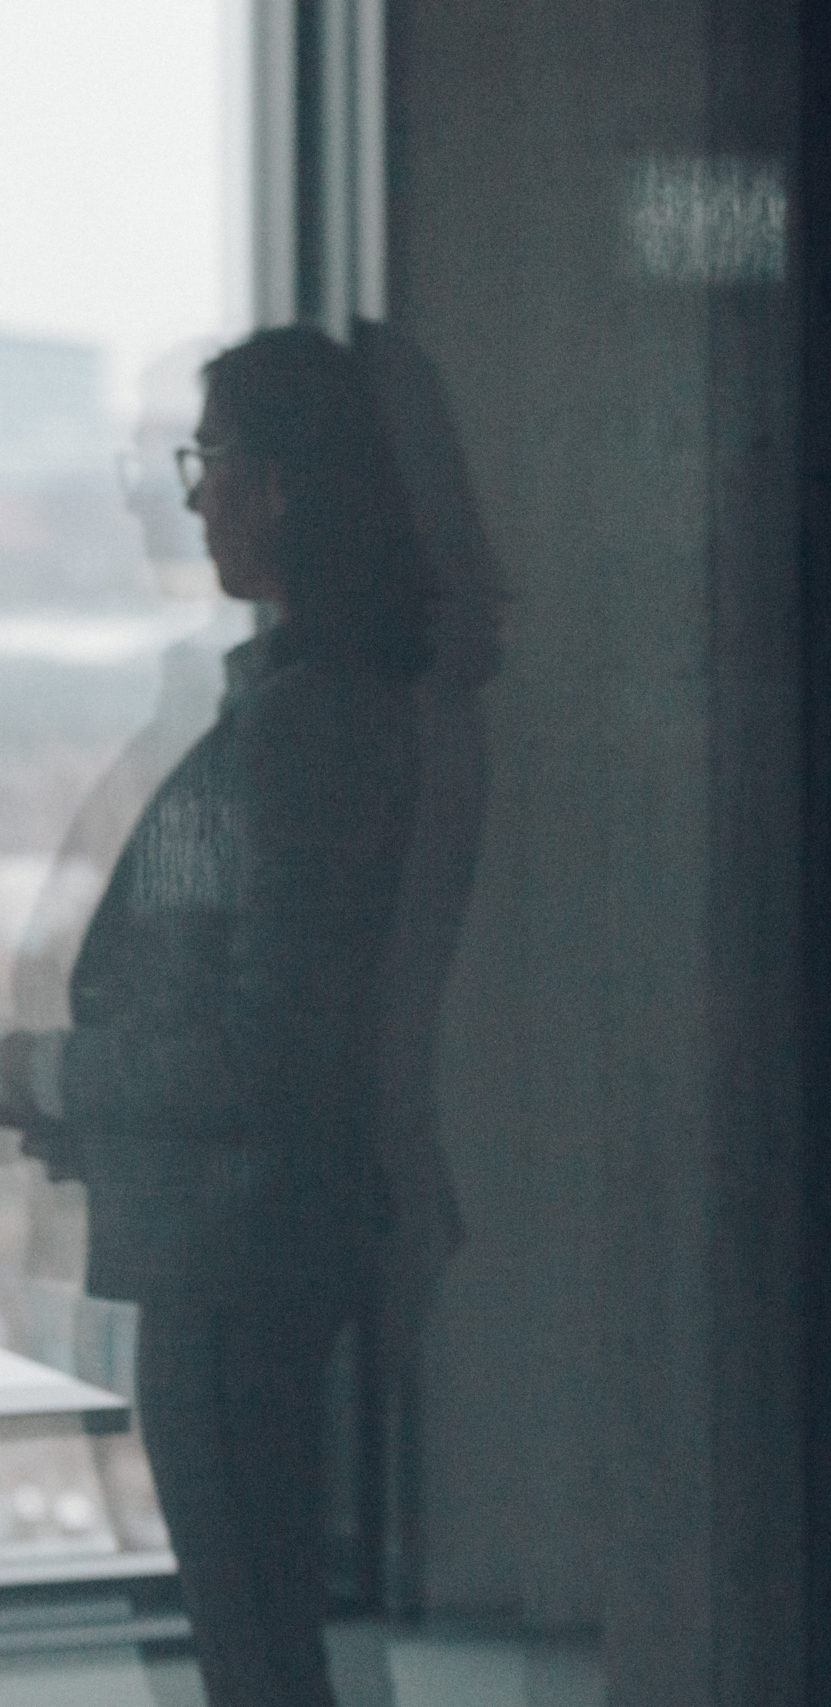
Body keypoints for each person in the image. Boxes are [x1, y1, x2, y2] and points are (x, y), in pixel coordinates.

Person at [0, 326, 431, 1707]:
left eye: (209, 460)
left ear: (283, 485)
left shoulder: (307, 728)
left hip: (235, 1255)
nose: (192, 497)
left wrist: (48, 1074)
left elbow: (259, 1056)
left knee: (256, 1657)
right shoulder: (310, 708)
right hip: (238, 1245)